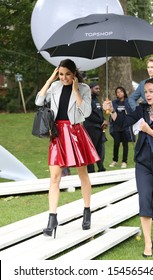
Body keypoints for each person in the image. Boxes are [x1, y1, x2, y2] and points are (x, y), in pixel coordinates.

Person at [103, 78, 153, 257]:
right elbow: (123, 122)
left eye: (151, 91)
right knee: (144, 199)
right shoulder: (141, 109)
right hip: (142, 162)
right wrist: (110, 111)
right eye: (145, 91)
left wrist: (149, 130)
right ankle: (148, 243)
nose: (147, 94)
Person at [35, 59, 100, 238]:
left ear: (74, 74)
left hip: (75, 133)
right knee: (54, 178)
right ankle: (52, 218)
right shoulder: (54, 86)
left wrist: (76, 90)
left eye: (67, 74)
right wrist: (50, 79)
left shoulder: (84, 88)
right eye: (61, 74)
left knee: (82, 174)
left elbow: (86, 112)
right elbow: (39, 101)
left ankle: (87, 211)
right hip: (57, 134)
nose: (64, 78)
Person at [83, 82, 108, 173]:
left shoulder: (96, 100)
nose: (98, 90)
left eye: (98, 88)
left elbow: (99, 113)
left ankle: (101, 167)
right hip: (91, 128)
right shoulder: (87, 100)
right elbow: (88, 115)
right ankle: (90, 170)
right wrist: (101, 121)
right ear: (90, 89)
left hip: (99, 128)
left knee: (100, 148)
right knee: (90, 149)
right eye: (96, 89)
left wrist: (104, 120)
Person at [109, 86, 134, 168]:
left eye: (121, 91)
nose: (119, 93)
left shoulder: (128, 101)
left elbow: (131, 112)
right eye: (118, 92)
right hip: (116, 126)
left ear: (124, 92)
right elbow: (111, 112)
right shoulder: (114, 102)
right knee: (116, 144)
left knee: (125, 144)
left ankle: (124, 161)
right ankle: (114, 160)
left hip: (125, 127)